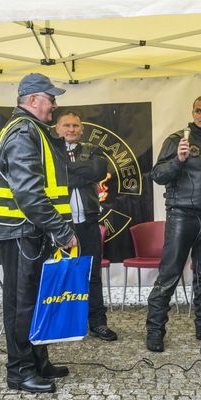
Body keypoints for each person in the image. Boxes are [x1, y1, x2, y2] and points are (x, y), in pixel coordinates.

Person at [0, 73, 78, 394]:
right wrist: (62, 231)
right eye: (51, 98)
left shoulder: (31, 130)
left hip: (29, 231)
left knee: (35, 301)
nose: (55, 105)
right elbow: (29, 194)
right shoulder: (24, 132)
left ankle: (38, 362)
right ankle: (19, 371)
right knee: (21, 304)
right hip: (20, 232)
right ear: (34, 99)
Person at [146, 95, 201, 352]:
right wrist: (178, 160)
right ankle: (155, 331)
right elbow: (157, 175)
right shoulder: (177, 140)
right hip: (181, 214)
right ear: (192, 112)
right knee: (169, 274)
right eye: (198, 111)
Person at [55, 110, 118, 341]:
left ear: (81, 129)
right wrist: (84, 172)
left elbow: (98, 171)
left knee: (92, 275)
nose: (71, 129)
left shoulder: (92, 149)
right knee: (60, 273)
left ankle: (98, 323)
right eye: (66, 125)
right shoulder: (50, 152)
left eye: (75, 126)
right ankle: (60, 323)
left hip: (88, 223)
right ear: (57, 129)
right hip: (59, 225)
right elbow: (57, 178)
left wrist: (67, 170)